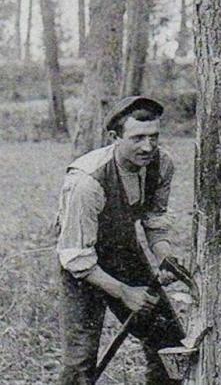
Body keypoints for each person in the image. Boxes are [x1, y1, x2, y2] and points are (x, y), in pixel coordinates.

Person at [55, 96, 185, 384]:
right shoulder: (86, 181)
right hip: (83, 268)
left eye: (154, 137)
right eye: (137, 138)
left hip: (124, 254)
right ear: (115, 137)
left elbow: (154, 219)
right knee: (80, 362)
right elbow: (76, 256)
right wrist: (125, 292)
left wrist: (164, 256)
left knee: (169, 341)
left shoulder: (161, 164)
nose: (148, 147)